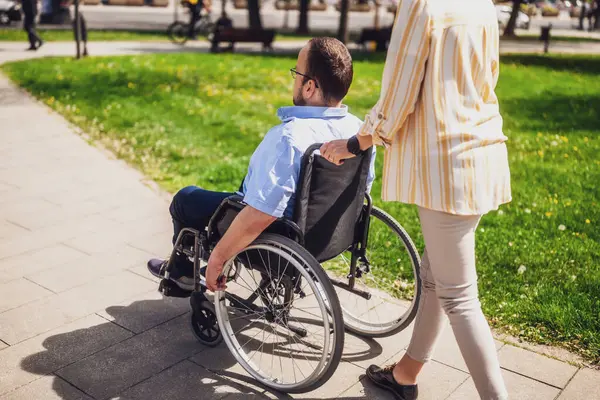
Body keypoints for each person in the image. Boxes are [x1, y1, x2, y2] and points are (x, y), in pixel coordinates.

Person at [321, 0, 511, 399]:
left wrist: (357, 142)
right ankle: (406, 374)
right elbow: (489, 74)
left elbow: (399, 94)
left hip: (445, 164)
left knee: (459, 296)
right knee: (434, 276)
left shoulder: (422, 5)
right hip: (480, 152)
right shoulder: (481, 4)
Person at [148, 37, 376, 293]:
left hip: (279, 237)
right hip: (329, 235)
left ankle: (181, 272)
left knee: (185, 199)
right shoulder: (357, 132)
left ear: (309, 86)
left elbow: (262, 213)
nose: (294, 80)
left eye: (296, 73)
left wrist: (219, 257)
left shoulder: (290, 137)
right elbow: (361, 188)